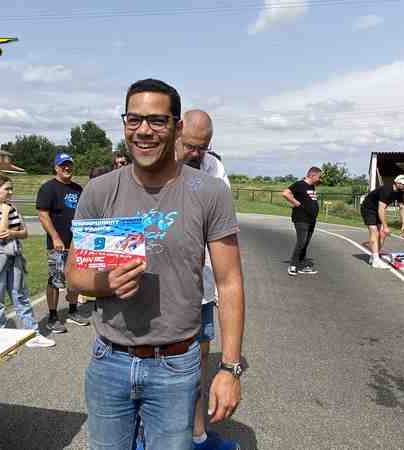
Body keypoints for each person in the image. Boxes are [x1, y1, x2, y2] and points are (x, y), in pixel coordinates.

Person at [66, 79, 245, 450]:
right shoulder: (100, 191)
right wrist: (106, 283)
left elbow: (229, 284)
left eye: (157, 121)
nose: (144, 130)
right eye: (134, 120)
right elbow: (73, 275)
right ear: (125, 124)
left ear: (177, 128)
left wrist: (229, 369)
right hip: (109, 361)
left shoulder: (210, 192)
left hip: (176, 366)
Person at [176, 109, 239, 450]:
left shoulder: (214, 169)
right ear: (177, 133)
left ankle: (198, 435)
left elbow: (219, 222)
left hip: (201, 288)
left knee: (198, 364)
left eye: (203, 147)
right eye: (190, 145)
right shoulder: (157, 164)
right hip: (162, 290)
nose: (196, 154)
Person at [0, 175, 55, 348]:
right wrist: (5, 213)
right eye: (7, 189)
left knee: (20, 296)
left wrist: (13, 233)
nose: (10, 192)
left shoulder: (13, 207)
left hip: (14, 255)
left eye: (11, 188)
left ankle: (33, 335)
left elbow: (24, 232)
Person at [35, 153, 89, 333]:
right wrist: (55, 237)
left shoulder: (78, 189)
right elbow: (43, 215)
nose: (67, 168)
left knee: (75, 279)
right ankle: (52, 315)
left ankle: (73, 311)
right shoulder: (48, 188)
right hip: (58, 244)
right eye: (63, 165)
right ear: (56, 168)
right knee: (55, 280)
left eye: (69, 165)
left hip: (77, 243)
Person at [360, 175, 404, 269]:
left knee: (382, 234)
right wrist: (386, 226)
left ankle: (374, 256)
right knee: (374, 231)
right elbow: (381, 209)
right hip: (368, 208)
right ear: (397, 183)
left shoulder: (399, 193)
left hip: (378, 210)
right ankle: (375, 260)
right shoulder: (386, 190)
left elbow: (402, 208)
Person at [281, 167, 322, 276]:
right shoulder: (299, 184)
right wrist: (296, 203)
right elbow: (285, 193)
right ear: (312, 175)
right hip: (301, 218)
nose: (319, 179)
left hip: (311, 219)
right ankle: (293, 265)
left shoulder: (312, 186)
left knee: (306, 242)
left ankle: (302, 264)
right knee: (302, 241)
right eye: (318, 176)